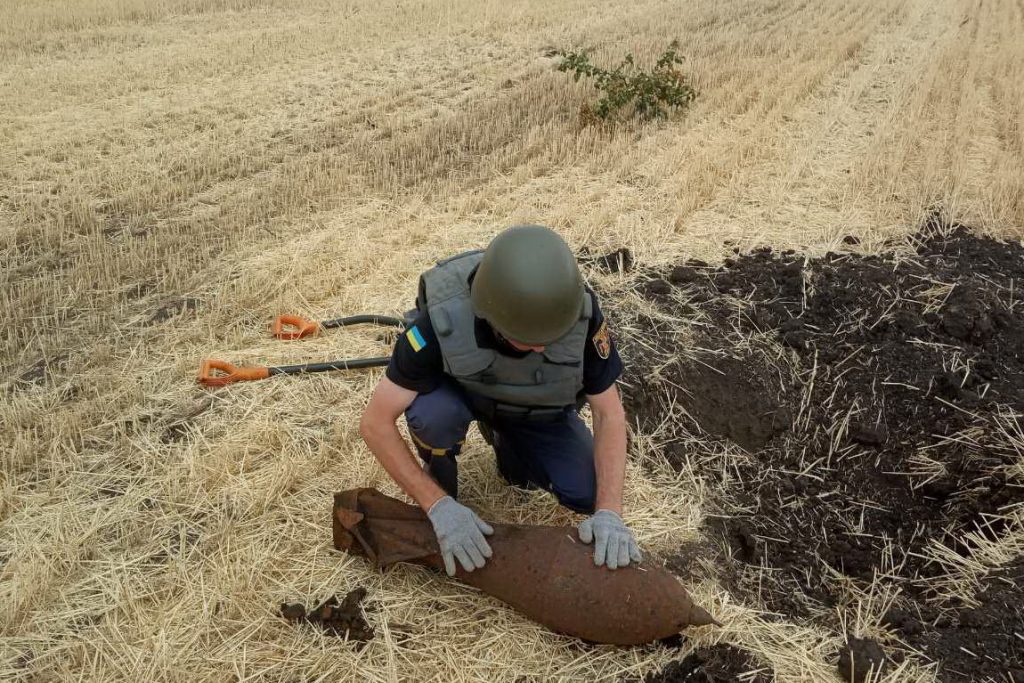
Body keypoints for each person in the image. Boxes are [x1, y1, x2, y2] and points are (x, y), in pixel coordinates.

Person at [359, 224, 641, 576]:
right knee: (435, 416)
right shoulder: (440, 322)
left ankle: (509, 444)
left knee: (590, 491)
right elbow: (374, 423)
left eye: (550, 336)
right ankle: (443, 487)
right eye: (529, 338)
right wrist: (437, 506)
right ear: (492, 317)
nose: (541, 347)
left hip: (534, 410)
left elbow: (609, 414)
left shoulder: (575, 312)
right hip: (464, 396)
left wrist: (610, 512)